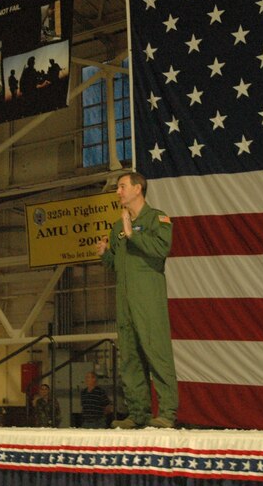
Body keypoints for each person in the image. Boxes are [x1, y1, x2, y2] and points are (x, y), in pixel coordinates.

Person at [97, 172, 177, 429]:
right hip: (125, 300)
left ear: (138, 188)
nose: (118, 192)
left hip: (148, 298)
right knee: (130, 357)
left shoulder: (158, 219)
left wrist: (134, 235)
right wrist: (105, 255)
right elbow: (118, 266)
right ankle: (138, 413)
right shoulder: (117, 227)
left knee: (156, 353)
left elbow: (160, 249)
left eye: (122, 186)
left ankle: (166, 413)